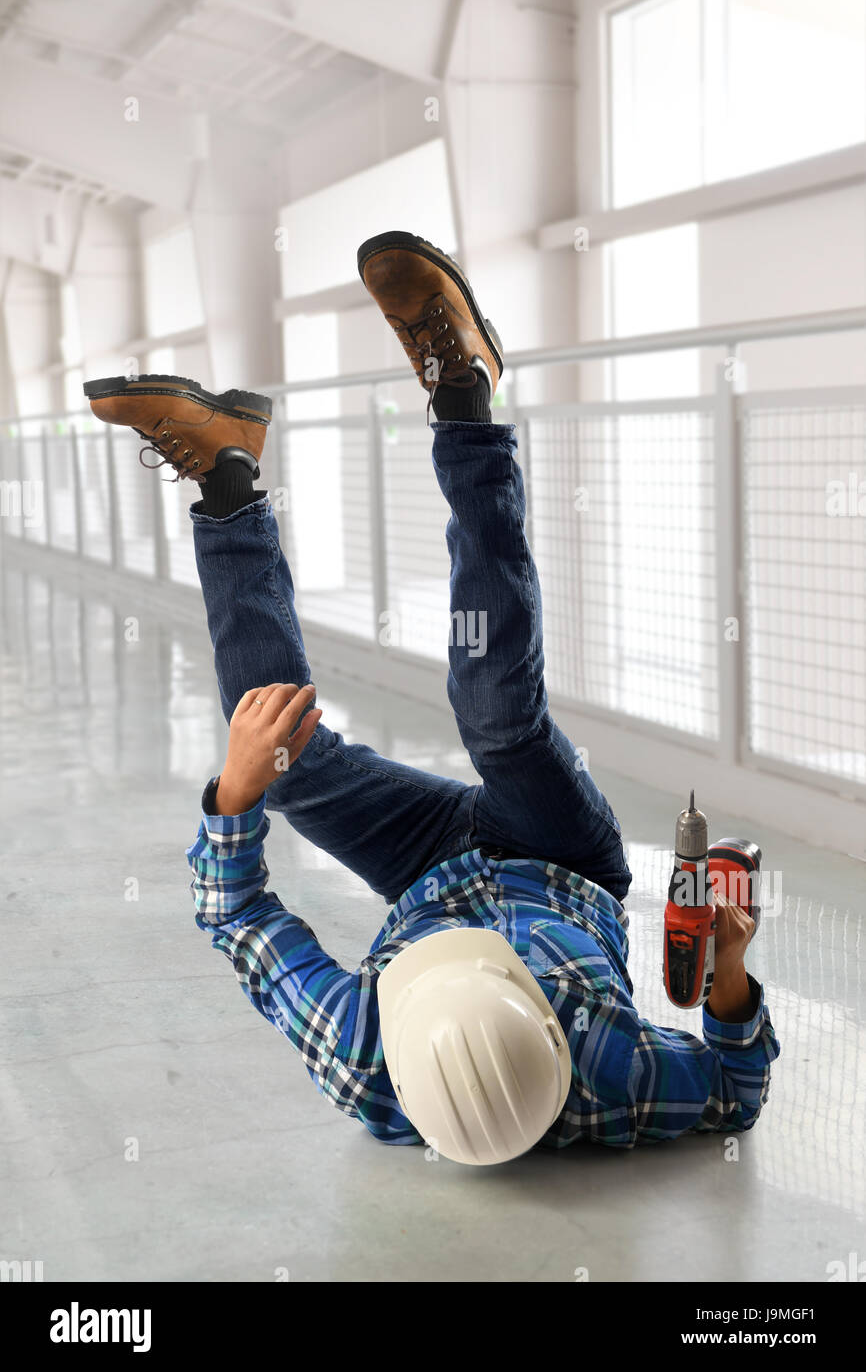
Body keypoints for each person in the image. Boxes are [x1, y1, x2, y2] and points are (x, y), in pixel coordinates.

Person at [83, 230, 780, 1166]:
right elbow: (736, 1096)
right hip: (562, 857)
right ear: (549, 1024)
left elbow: (236, 916)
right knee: (492, 707)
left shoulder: (366, 1063)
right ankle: (467, 397)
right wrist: (728, 974)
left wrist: (237, 793)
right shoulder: (615, 1072)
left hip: (421, 872)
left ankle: (229, 478)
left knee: (279, 758)